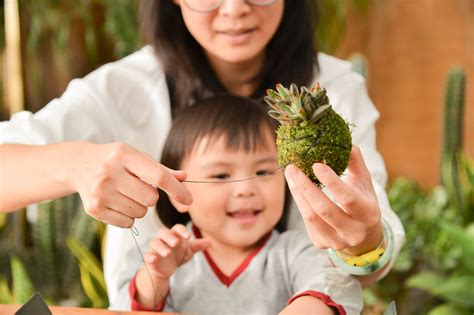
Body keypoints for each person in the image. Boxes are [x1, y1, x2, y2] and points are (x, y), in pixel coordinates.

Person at [0, 0, 404, 309]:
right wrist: (71, 164)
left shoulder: (333, 88)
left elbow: (369, 258)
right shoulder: (121, 90)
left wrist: (363, 240)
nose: (234, 10)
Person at [129, 94, 363, 314]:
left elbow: (337, 285)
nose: (245, 189)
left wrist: (310, 306)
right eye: (220, 175)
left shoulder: (295, 252)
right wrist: (156, 278)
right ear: (176, 193)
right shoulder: (161, 254)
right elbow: (121, 306)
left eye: (262, 172)